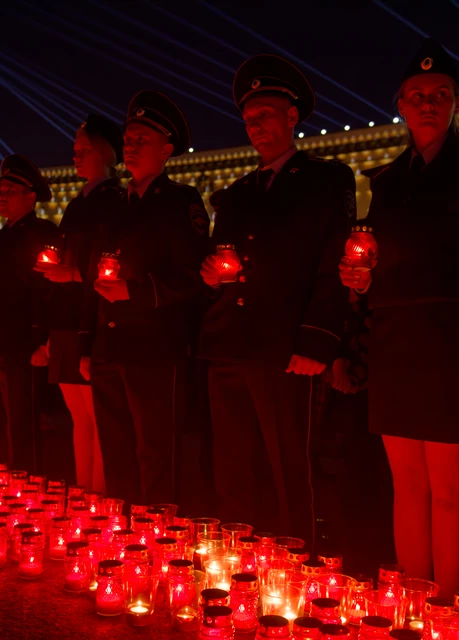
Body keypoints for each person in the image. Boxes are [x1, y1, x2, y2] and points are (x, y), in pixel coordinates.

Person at [340, 40, 459, 597]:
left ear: (457, 102)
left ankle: (447, 607)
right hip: (397, 343)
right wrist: (364, 281)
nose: (427, 104)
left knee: (448, 488)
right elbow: (384, 261)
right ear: (400, 103)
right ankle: (414, 606)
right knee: (406, 486)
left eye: (439, 95)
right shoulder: (388, 180)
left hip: (454, 344)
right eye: (417, 96)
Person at [198, 54, 355, 542]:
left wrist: (317, 340)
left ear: (292, 116)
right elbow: (223, 261)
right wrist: (210, 276)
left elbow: (333, 265)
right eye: (248, 119)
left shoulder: (325, 181)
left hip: (286, 348)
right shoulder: (238, 192)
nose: (255, 126)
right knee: (233, 472)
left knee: (291, 470)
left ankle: (298, 575)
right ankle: (240, 567)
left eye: (264, 114)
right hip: (229, 343)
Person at [87, 91, 209, 506]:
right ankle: (121, 542)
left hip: (155, 347)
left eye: (142, 139)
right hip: (111, 346)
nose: (130, 146)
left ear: (167, 149)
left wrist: (136, 293)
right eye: (128, 139)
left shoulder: (181, 202)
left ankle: (159, 545)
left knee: (156, 454)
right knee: (116, 452)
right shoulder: (116, 204)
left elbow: (193, 275)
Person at [35, 113, 125, 494]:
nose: (75, 156)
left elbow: (109, 262)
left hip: (94, 318)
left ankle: (99, 495)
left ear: (106, 153)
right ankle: (83, 488)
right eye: (74, 150)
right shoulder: (77, 204)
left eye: (84, 150)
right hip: (67, 318)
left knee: (97, 416)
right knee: (79, 417)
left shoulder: (115, 201)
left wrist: (73, 275)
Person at [0, 154, 59, 473]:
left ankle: (26, 487)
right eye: (1, 192)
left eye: (10, 192)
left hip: (20, 343)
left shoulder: (42, 233)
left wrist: (42, 340)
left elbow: (46, 291)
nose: (2, 198)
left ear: (31, 196)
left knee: (21, 423)